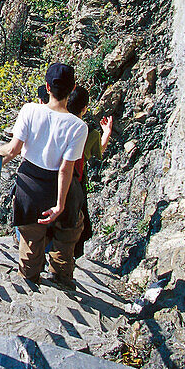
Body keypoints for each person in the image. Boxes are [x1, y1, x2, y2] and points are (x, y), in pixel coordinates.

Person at [0, 63, 88, 289]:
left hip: (30, 187)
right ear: (72, 88)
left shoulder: (30, 110)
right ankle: (62, 280)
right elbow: (66, 168)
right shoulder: (79, 126)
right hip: (61, 190)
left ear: (47, 87)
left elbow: (13, 149)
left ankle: (29, 280)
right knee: (65, 241)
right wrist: (59, 205)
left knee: (30, 241)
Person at [65, 87, 113, 259]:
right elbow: (100, 150)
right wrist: (106, 132)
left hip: (50, 177)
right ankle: (69, 262)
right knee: (80, 224)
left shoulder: (59, 123)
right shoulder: (89, 133)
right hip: (76, 183)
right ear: (85, 108)